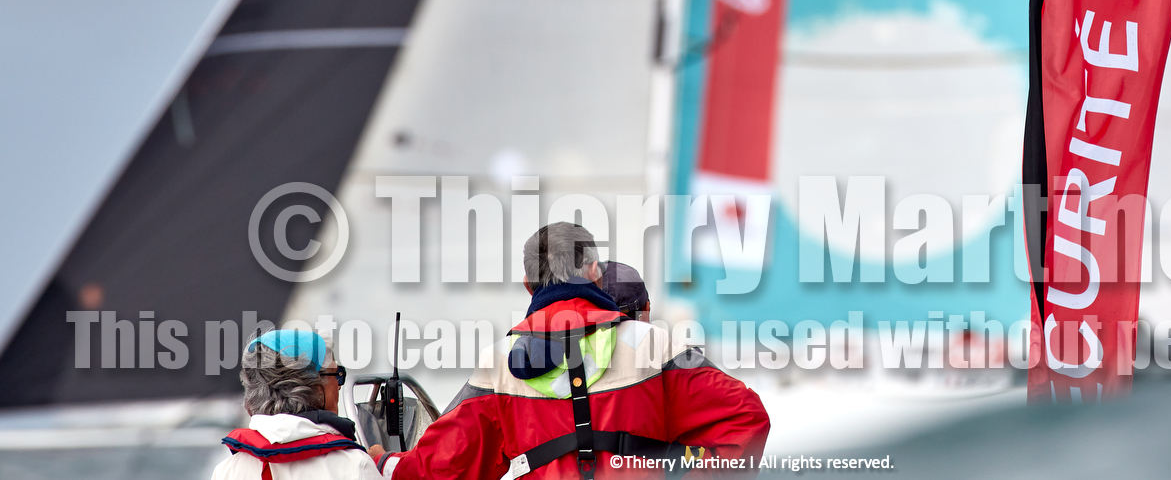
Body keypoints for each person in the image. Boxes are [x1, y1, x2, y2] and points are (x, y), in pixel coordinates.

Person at [372, 222, 770, 479]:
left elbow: (443, 468)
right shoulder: (658, 346)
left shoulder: (497, 364)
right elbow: (746, 422)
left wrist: (382, 462)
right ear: (595, 270)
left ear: (528, 284)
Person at [214, 328, 381, 479]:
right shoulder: (355, 466)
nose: (338, 385)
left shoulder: (227, 471)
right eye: (336, 374)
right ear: (314, 386)